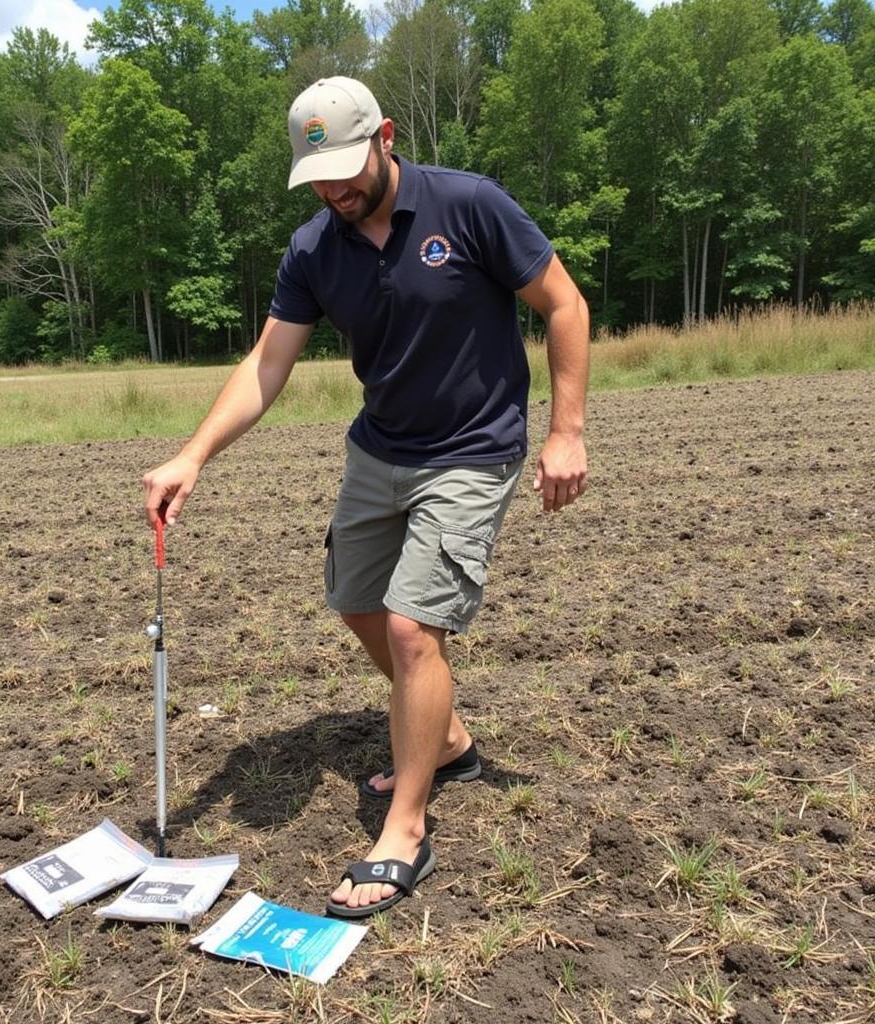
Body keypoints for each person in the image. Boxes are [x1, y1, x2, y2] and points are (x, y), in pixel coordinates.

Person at [142, 76, 589, 919]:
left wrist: (567, 431)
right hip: (380, 448)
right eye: (319, 179)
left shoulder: (470, 206)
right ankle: (446, 738)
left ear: (385, 136)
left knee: (415, 628)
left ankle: (405, 829)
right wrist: (192, 455)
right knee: (355, 600)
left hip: (471, 450)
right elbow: (267, 366)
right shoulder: (315, 249)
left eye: (347, 170)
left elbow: (564, 304)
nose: (336, 192)